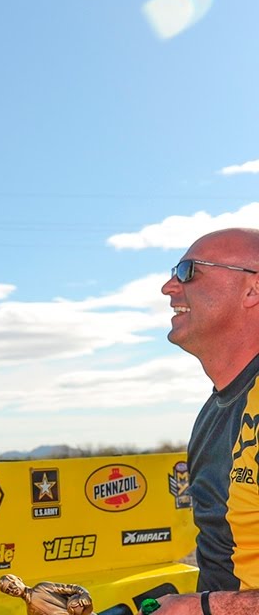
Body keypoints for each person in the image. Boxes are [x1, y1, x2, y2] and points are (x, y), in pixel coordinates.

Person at [154, 228, 259, 615]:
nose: (169, 286)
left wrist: (208, 608)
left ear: (253, 290)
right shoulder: (214, 411)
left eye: (188, 271)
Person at [0, 574, 92, 615]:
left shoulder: (42, 587)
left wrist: (84, 595)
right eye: (8, 590)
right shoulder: (30, 611)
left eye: (12, 584)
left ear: (19, 579)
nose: (12, 589)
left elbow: (72, 588)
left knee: (75, 605)